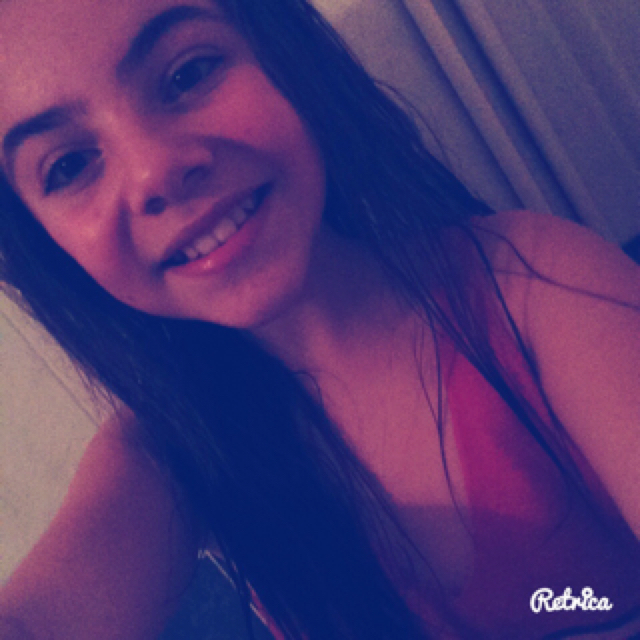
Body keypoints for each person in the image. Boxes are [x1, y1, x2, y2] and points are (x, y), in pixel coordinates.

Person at [0, 0, 638, 638]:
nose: (154, 171)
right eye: (68, 166)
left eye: (188, 73)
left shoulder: (535, 286)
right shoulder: (166, 457)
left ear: (281, 46)